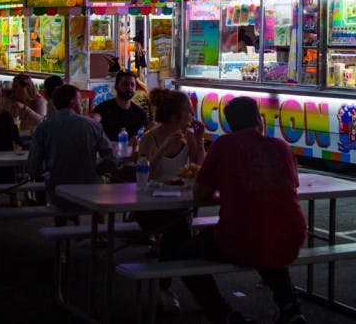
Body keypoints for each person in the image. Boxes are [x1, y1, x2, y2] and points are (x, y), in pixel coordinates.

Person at [180, 96, 307, 324]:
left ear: (229, 124)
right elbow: (289, 185)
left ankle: (222, 314)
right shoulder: (281, 146)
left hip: (241, 235)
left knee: (183, 254)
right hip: (292, 233)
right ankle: (290, 308)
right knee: (268, 238)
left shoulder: (223, 146)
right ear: (258, 118)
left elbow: (201, 193)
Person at [134, 89, 206, 313]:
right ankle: (174, 285)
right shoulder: (150, 138)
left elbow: (198, 166)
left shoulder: (189, 136)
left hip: (179, 201)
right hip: (149, 204)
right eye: (188, 113)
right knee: (180, 233)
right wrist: (163, 147)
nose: (191, 117)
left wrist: (200, 140)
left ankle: (166, 285)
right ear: (175, 117)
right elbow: (144, 174)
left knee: (179, 232)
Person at [26, 85, 115, 224]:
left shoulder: (44, 127)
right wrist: (96, 171)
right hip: (90, 191)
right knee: (100, 187)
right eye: (80, 100)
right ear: (72, 102)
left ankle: (61, 240)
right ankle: (100, 235)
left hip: (58, 192)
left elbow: (33, 166)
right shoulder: (92, 125)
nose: (81, 104)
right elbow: (111, 158)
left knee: (57, 194)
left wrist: (45, 174)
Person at [91, 70, 149, 143]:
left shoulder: (140, 113)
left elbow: (147, 133)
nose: (129, 87)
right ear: (116, 87)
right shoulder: (104, 108)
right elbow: (91, 124)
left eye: (132, 85)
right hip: (109, 153)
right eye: (125, 84)